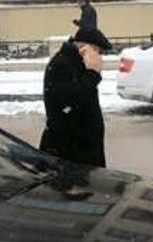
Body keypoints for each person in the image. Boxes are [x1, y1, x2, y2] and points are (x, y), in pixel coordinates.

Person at [40, 26, 111, 167]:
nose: (99, 56)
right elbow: (70, 100)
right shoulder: (61, 65)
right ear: (85, 47)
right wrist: (93, 74)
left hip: (84, 145)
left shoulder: (79, 62)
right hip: (71, 149)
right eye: (97, 50)